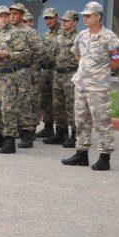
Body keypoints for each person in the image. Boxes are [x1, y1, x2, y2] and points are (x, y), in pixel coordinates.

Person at [62, 1, 119, 171]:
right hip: (81, 84)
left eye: (88, 16)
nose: (85, 18)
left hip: (98, 87)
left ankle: (105, 156)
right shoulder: (81, 35)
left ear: (98, 17)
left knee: (102, 122)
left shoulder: (109, 36)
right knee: (81, 120)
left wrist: (100, 72)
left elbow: (118, 61)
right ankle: (81, 154)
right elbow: (77, 55)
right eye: (84, 16)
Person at [0, 6, 31, 153]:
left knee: (7, 109)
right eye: (0, 16)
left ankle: (9, 140)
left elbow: (27, 53)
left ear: (9, 17)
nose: (3, 19)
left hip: (8, 76)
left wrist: (8, 55)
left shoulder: (16, 33)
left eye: (5, 16)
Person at [10, 3, 43, 148]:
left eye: (15, 14)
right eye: (10, 13)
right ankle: (16, 129)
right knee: (11, 102)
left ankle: (28, 132)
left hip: (23, 71)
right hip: (8, 72)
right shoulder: (7, 31)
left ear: (22, 16)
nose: (12, 16)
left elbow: (39, 51)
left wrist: (31, 67)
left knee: (25, 102)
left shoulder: (29, 32)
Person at [44, 10, 79, 146]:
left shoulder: (78, 37)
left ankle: (75, 134)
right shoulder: (59, 36)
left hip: (71, 73)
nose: (63, 22)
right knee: (58, 105)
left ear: (75, 22)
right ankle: (60, 133)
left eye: (67, 20)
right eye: (63, 20)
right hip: (57, 73)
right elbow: (52, 54)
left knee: (71, 105)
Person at [36, 8, 61, 138]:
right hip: (45, 71)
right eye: (46, 18)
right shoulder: (45, 35)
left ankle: (61, 129)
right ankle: (48, 126)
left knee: (58, 100)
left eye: (51, 18)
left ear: (57, 17)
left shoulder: (63, 34)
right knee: (45, 99)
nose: (48, 21)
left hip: (58, 71)